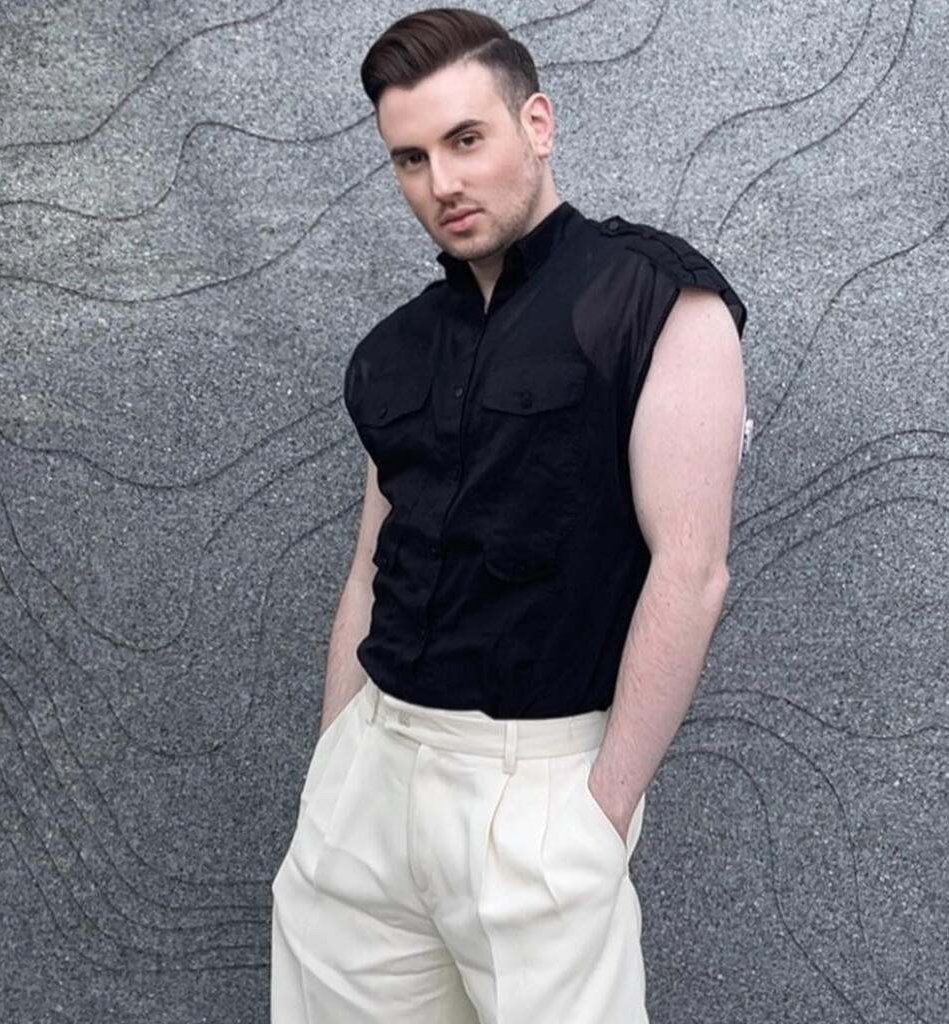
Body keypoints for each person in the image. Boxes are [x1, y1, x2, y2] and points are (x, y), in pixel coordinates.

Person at [271, 7, 748, 1022]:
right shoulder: (396, 348)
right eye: (410, 159)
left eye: (465, 140)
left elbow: (692, 569)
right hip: (367, 784)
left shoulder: (655, 299)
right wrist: (332, 765)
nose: (441, 182)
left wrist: (602, 808)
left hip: (537, 787)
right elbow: (369, 569)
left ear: (537, 124)